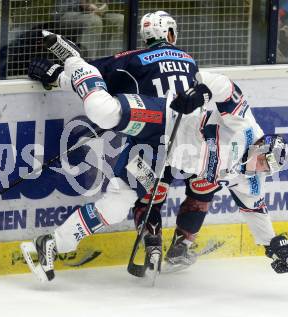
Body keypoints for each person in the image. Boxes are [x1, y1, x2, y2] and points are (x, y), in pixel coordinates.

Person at [23, 47, 288, 281]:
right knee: (103, 112)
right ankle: (75, 62)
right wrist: (200, 94)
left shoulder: (250, 180)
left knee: (118, 204)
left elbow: (257, 214)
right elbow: (225, 87)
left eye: (267, 168)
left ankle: (53, 242)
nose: (261, 166)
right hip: (164, 117)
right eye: (265, 158)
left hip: (158, 155)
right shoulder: (246, 126)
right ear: (262, 145)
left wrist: (275, 245)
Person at [31, 11, 212, 272]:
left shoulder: (133, 59)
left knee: (119, 200)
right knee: (196, 187)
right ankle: (179, 244)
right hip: (182, 142)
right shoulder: (190, 60)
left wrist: (56, 75)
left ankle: (54, 242)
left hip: (150, 135)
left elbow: (95, 76)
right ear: (170, 33)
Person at [54, 0, 124, 58]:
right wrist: (81, 5)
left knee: (120, 20)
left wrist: (103, 5)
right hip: (66, 14)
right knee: (94, 21)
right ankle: (87, 64)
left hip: (96, 14)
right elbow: (61, 8)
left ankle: (108, 62)